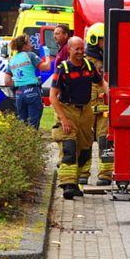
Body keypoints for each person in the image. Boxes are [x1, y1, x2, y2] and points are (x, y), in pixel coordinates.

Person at [50, 36, 108, 200]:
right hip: (67, 111)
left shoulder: (89, 66)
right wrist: (63, 119)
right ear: (69, 50)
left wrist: (115, 97)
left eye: (82, 48)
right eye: (77, 49)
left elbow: (101, 82)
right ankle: (67, 185)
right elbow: (53, 96)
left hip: (85, 112)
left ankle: (75, 183)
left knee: (85, 149)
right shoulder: (62, 69)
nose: (80, 52)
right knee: (69, 147)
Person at [79, 23, 113, 186]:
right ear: (93, 40)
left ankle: (105, 175)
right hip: (86, 109)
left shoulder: (112, 60)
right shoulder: (83, 62)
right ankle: (83, 174)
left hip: (105, 111)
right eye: (102, 40)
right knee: (85, 142)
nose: (106, 43)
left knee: (105, 141)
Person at [4, 34, 52, 128]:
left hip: (19, 93)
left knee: (22, 123)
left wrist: (19, 82)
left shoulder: (12, 60)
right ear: (24, 46)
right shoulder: (30, 55)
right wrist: (47, 55)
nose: (31, 45)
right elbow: (47, 67)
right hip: (32, 91)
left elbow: (7, 81)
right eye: (30, 43)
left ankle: (24, 142)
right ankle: (33, 141)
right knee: (33, 123)